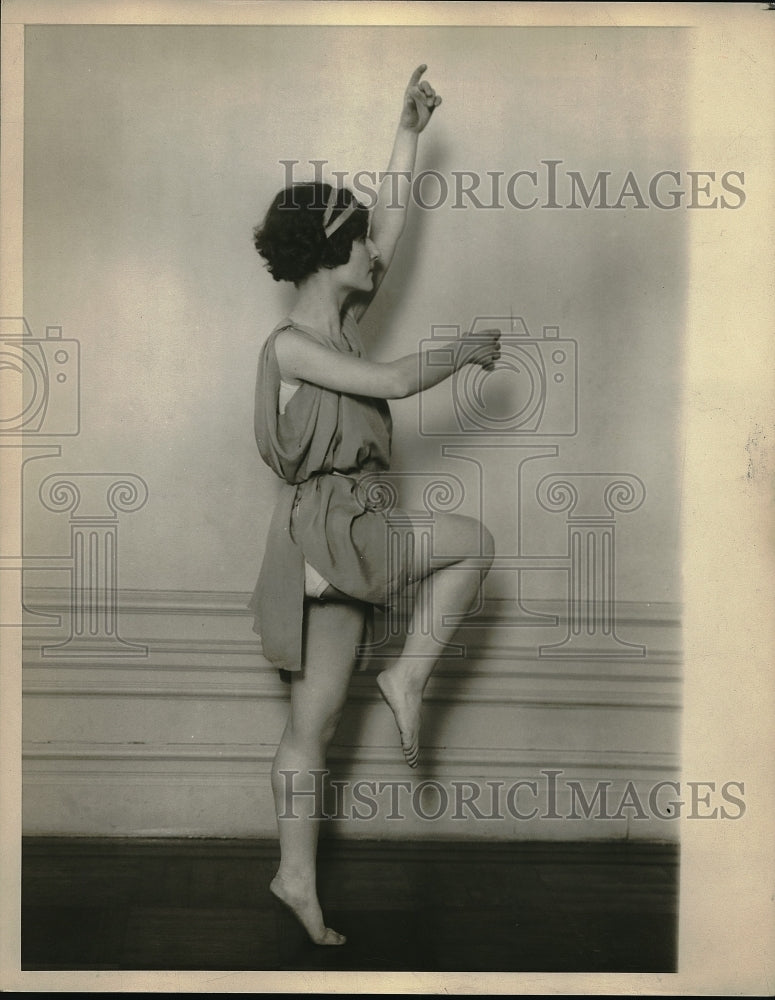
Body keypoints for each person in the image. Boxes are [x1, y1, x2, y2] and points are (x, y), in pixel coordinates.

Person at [249, 65, 500, 946]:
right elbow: (395, 379)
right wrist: (462, 349)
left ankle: (293, 876)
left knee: (311, 722)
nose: (376, 255)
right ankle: (408, 675)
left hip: (334, 536)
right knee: (471, 541)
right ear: (327, 254)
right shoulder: (295, 349)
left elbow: (385, 218)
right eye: (359, 246)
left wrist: (407, 131)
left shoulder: (336, 326)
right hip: (333, 531)